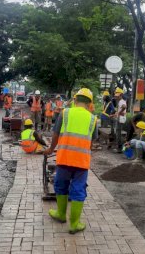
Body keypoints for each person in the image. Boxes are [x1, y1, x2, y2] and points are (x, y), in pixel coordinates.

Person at [44, 88, 97, 234]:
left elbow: (55, 134)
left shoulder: (65, 113)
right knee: (78, 189)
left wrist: (50, 149)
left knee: (61, 185)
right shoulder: (93, 118)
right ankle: (74, 224)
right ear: (89, 103)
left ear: (75, 100)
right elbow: (91, 141)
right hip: (81, 161)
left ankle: (61, 214)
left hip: (64, 158)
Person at [110, 88, 127, 152]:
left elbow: (124, 107)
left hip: (120, 119)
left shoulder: (122, 101)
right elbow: (120, 111)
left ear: (121, 95)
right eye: (116, 96)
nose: (116, 97)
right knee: (118, 133)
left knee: (118, 133)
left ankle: (119, 148)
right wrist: (113, 115)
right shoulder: (120, 101)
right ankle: (119, 147)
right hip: (120, 118)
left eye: (118, 96)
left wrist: (119, 113)